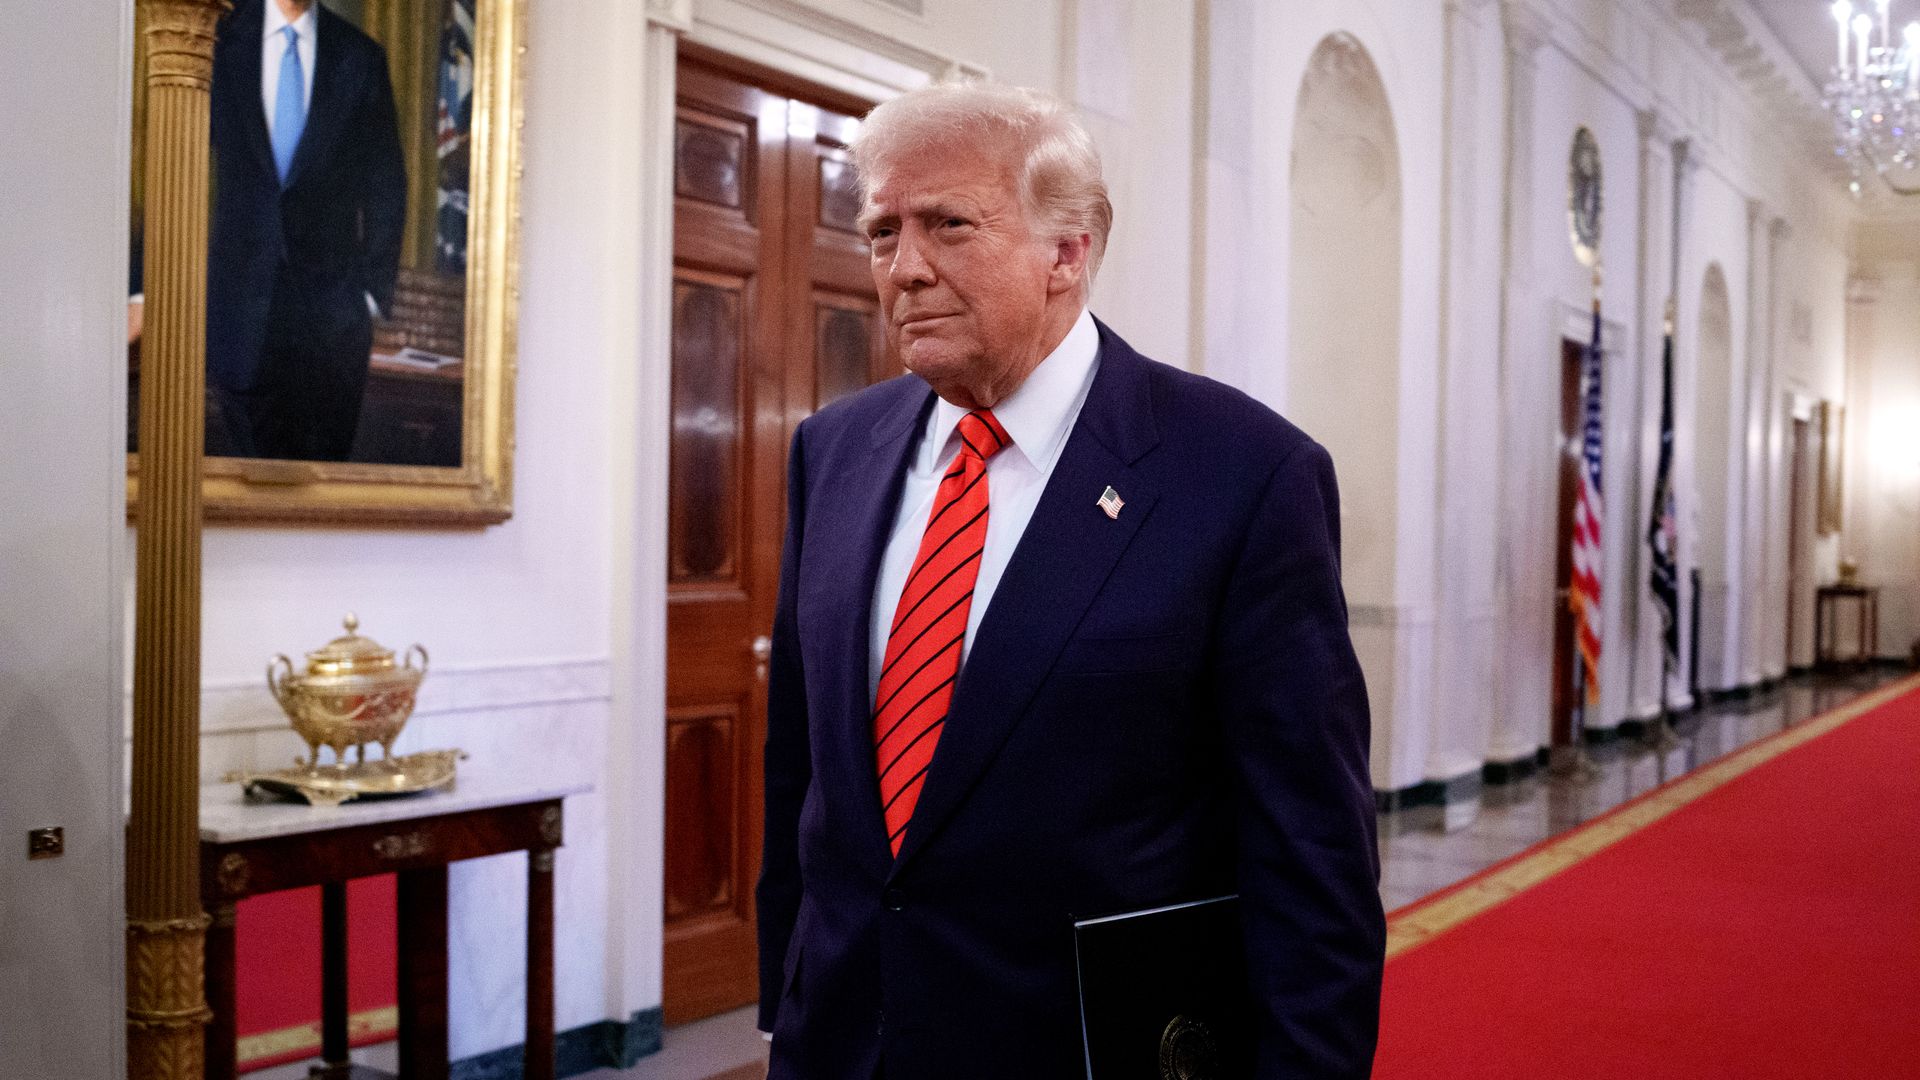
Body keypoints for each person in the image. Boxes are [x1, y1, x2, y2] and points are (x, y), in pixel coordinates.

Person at [755, 82, 1384, 1078]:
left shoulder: (1241, 476)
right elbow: (803, 773)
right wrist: (783, 1004)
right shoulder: (832, 451)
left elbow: (1312, 858)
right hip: (845, 1044)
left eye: (948, 226)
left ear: (1068, 252)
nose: (904, 269)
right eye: (882, 233)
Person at [131, 0, 405, 460]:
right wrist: (142, 287)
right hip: (235, 317)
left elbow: (385, 183)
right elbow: (172, 167)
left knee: (319, 497)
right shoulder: (213, 41)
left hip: (331, 333)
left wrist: (370, 295)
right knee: (243, 495)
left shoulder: (360, 58)